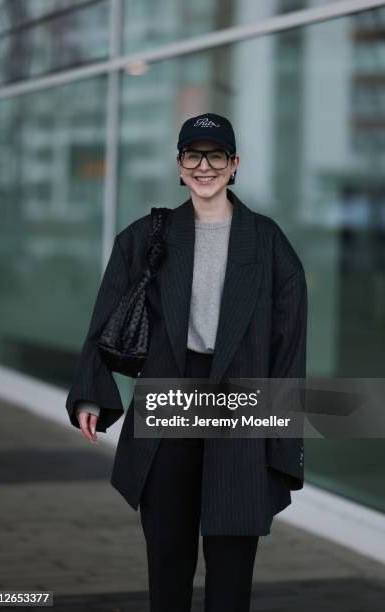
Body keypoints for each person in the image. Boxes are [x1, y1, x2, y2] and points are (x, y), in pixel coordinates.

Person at [65, 113, 308, 612]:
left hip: (240, 403)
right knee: (168, 559)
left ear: (234, 164)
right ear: (179, 165)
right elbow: (106, 312)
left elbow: (290, 345)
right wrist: (92, 390)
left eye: (215, 155)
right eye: (192, 155)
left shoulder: (267, 243)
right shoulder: (146, 237)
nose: (204, 166)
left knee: (231, 567)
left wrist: (281, 440)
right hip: (169, 396)